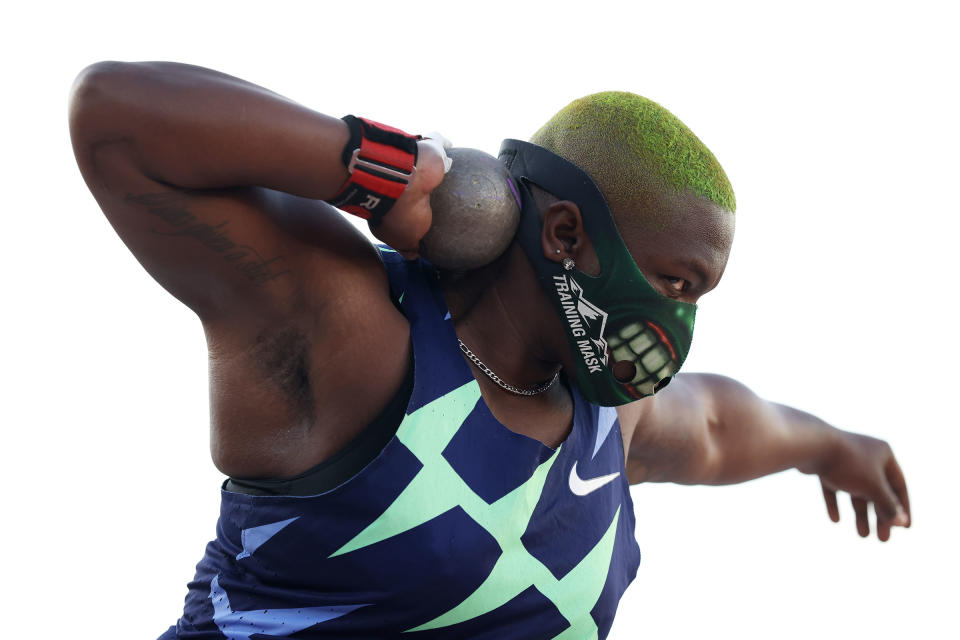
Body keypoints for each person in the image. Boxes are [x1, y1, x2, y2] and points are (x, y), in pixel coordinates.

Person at [69, 61, 910, 640]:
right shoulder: (351, 336)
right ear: (567, 234)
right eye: (677, 283)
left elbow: (726, 423)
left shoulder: (610, 427)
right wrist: (387, 171)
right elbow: (116, 117)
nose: (678, 323)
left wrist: (834, 447)